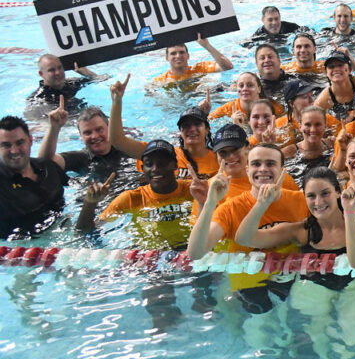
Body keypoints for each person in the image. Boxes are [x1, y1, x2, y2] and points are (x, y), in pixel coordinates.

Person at [187, 144, 307, 311]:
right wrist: (209, 203)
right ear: (247, 168)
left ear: (282, 170)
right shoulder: (231, 209)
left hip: (292, 274)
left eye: (271, 164)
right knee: (258, 327)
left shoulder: (302, 200)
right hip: (249, 282)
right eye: (256, 164)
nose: (263, 169)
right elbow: (195, 253)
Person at [76, 139, 193, 247]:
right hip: (151, 259)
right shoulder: (131, 199)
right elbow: (84, 232)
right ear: (142, 168)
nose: (155, 169)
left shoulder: (192, 190)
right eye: (149, 164)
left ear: (175, 165)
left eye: (162, 163)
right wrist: (90, 203)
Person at [0, 115, 68, 238]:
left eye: (20, 143)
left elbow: (77, 186)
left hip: (63, 232)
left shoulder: (48, 167)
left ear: (31, 141)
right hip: (19, 250)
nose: (14, 151)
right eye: (6, 145)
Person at [43, 105, 134, 183]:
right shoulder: (81, 158)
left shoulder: (126, 148)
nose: (94, 136)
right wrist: (54, 128)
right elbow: (45, 162)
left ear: (109, 128)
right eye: (87, 133)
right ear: (81, 136)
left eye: (99, 129)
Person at [313, 51, 355, 120]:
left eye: (340, 65)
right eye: (331, 67)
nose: (336, 69)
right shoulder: (323, 101)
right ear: (326, 73)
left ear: (349, 70)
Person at [27, 54, 100, 111]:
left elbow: (104, 79)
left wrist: (87, 73)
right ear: (41, 74)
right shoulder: (38, 99)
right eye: (52, 70)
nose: (58, 72)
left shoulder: (72, 83)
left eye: (60, 67)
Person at [209, 72, 282, 127]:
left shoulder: (272, 107)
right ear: (237, 89)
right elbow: (208, 121)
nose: (244, 89)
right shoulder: (229, 108)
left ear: (259, 89)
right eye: (241, 86)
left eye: (250, 85)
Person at [154, 36, 233, 85]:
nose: (178, 56)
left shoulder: (200, 68)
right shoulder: (161, 80)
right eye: (173, 53)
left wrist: (207, 45)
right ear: (167, 58)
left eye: (182, 52)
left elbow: (228, 67)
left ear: (188, 56)